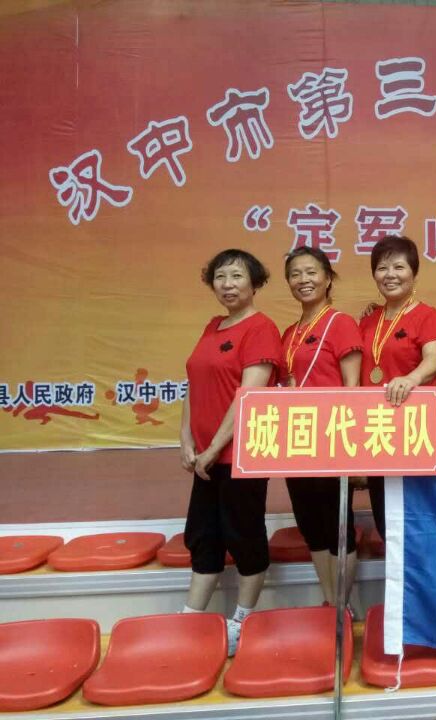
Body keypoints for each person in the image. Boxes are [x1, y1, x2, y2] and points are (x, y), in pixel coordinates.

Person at [180, 249, 282, 655]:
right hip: (205, 458)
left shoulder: (261, 329)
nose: (228, 284)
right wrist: (186, 440)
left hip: (242, 455)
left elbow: (248, 399)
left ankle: (242, 620)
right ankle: (190, 618)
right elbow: (194, 385)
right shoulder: (213, 326)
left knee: (245, 536)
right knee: (203, 536)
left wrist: (214, 448)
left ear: (254, 283)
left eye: (237, 276)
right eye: (220, 277)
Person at [280, 246, 363, 608]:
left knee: (336, 527)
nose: (304, 280)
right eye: (295, 274)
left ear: (328, 278)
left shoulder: (340, 323)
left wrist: (351, 449)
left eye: (311, 272)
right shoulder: (289, 332)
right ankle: (331, 604)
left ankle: (343, 606)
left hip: (332, 440)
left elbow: (353, 387)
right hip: (298, 442)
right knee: (311, 528)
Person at [358, 235, 436, 542]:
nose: (390, 275)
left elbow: (433, 358)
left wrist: (411, 379)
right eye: (382, 268)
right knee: (384, 519)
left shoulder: (428, 316)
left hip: (413, 429)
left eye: (399, 267)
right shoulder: (368, 321)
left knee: (418, 520)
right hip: (376, 430)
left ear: (414, 272)